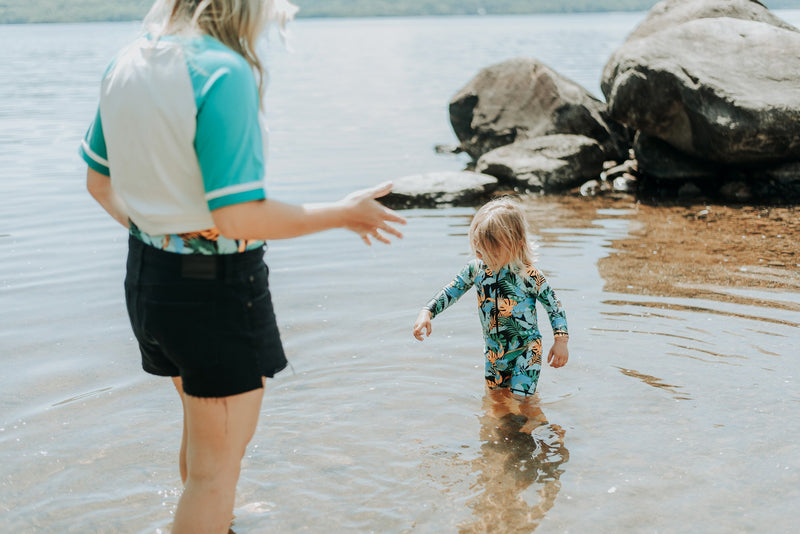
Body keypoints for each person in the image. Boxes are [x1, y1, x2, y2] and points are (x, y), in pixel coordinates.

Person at [79, 1, 406, 532]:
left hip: (147, 280)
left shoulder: (124, 64)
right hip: (212, 292)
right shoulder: (222, 72)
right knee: (217, 468)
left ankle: (213, 513)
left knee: (203, 443)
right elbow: (236, 217)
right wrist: (345, 213)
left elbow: (98, 184)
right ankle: (212, 510)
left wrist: (165, 234)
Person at [413, 197, 568, 400]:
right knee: (494, 400)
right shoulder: (476, 269)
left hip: (526, 350)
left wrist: (561, 341)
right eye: (478, 249)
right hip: (494, 352)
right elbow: (452, 290)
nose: (481, 255)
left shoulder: (529, 276)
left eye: (488, 250)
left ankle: (529, 428)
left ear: (516, 244)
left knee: (523, 401)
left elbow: (554, 306)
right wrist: (428, 311)